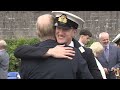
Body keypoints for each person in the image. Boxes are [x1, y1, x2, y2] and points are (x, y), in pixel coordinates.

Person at [14, 11, 102, 79]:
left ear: (74, 32)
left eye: (65, 29)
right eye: (58, 28)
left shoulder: (84, 53)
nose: (60, 33)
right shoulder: (42, 49)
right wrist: (49, 51)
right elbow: (19, 51)